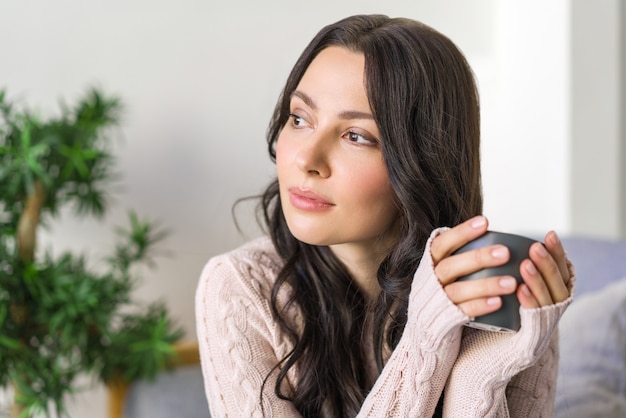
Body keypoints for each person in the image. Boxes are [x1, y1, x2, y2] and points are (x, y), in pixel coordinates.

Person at [195, 14, 574, 417]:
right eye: (300, 118)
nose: (306, 159)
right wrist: (426, 340)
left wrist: (480, 375)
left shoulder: (506, 291)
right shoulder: (239, 289)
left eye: (356, 136)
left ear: (425, 163)